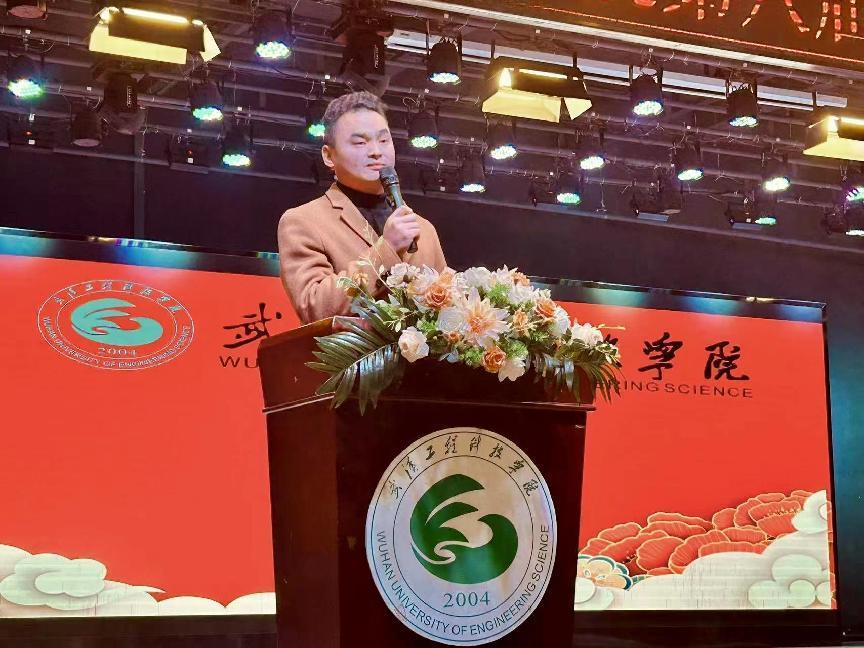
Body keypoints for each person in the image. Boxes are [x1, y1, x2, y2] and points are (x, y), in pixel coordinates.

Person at [277, 91, 447, 324]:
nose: (376, 151)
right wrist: (387, 249)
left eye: (384, 140)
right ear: (328, 156)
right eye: (360, 142)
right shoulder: (303, 221)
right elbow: (315, 306)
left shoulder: (423, 228)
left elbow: (447, 310)